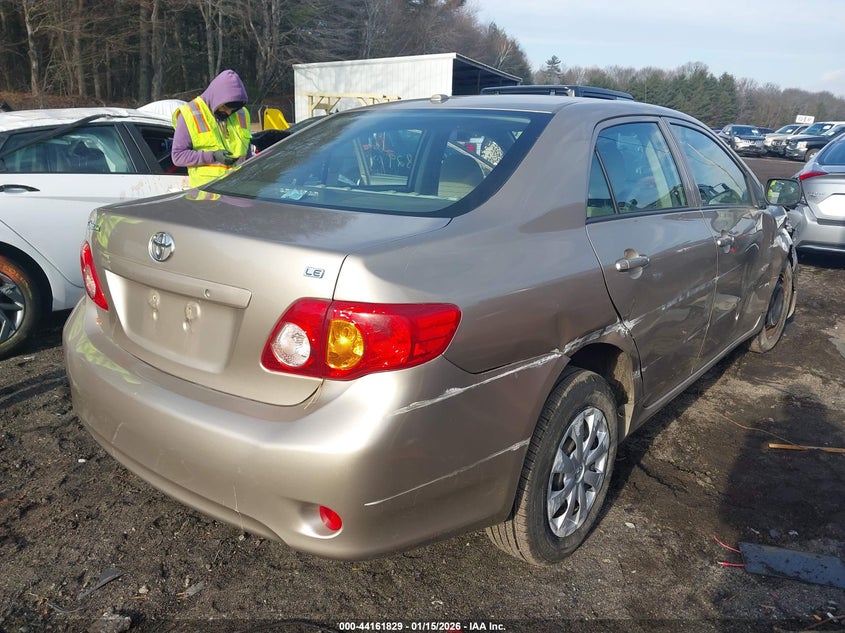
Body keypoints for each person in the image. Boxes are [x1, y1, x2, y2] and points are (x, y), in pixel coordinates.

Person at [171, 69, 252, 187]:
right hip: (206, 195)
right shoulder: (189, 113)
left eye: (233, 109)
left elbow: (247, 153)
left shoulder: (242, 114)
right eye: (225, 107)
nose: (229, 112)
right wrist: (213, 156)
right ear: (217, 98)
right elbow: (178, 156)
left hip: (238, 191)